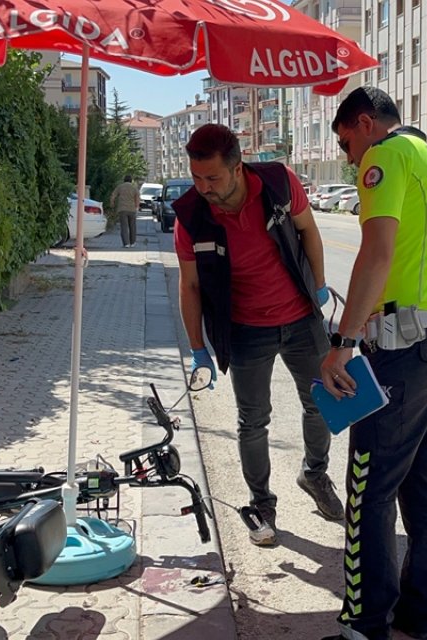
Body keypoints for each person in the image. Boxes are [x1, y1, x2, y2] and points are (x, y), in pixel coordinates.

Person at [319, 87, 427, 640]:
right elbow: (414, 258)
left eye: (346, 142)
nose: (349, 158)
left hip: (408, 349)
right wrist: (368, 316)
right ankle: (418, 614)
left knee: (369, 485)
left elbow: (377, 252)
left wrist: (341, 340)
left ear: (366, 124)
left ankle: (364, 623)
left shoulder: (385, 155)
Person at [173, 123, 344, 546]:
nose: (203, 187)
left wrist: (318, 284)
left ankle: (315, 474)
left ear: (237, 167)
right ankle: (261, 504)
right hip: (245, 328)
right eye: (196, 176)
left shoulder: (277, 182)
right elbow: (190, 285)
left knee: (321, 401)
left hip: (302, 317)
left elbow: (308, 230)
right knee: (252, 421)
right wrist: (198, 348)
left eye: (212, 177)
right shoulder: (191, 215)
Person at [108, 174, 140, 247]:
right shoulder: (134, 188)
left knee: (124, 226)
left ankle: (126, 243)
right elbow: (137, 198)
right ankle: (133, 242)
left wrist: (112, 203)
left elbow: (113, 195)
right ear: (131, 180)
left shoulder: (120, 187)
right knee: (132, 226)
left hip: (122, 209)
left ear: (124, 180)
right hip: (132, 209)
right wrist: (137, 207)